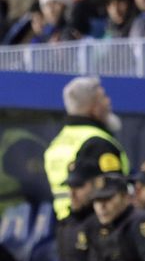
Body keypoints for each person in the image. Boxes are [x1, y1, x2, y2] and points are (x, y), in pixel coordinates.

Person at [44, 76, 130, 220]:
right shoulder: (98, 143)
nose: (108, 102)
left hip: (65, 225)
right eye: (103, 97)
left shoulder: (57, 142)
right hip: (93, 226)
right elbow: (110, 191)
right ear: (94, 108)